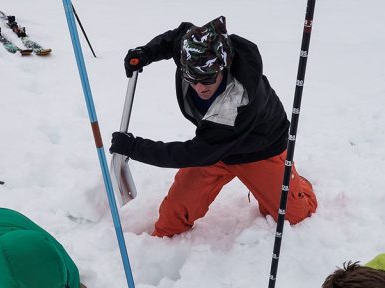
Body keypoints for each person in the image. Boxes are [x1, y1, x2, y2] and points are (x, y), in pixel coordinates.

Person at [109, 16, 318, 237]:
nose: (199, 87)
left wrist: (133, 147)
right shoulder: (196, 48)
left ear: (224, 68)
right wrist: (147, 53)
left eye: (207, 79)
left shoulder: (236, 104)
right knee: (171, 222)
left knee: (294, 216)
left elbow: (192, 153)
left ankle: (297, 183)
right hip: (213, 149)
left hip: (260, 150)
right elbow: (175, 38)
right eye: (192, 78)